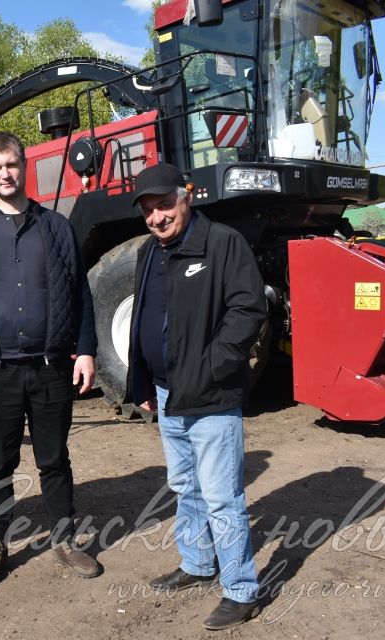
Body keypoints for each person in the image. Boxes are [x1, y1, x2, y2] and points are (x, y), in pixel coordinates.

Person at [0, 131, 100, 588]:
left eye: (11, 164)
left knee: (54, 459)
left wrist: (87, 349)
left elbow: (81, 295)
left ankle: (64, 540)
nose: (5, 174)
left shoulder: (56, 227)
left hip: (50, 368)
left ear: (24, 167)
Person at [125, 163, 266, 630]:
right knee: (185, 486)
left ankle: (242, 589)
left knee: (222, 496)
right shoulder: (150, 251)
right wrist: (143, 382)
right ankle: (197, 562)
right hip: (167, 393)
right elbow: (146, 314)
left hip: (211, 396)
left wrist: (213, 367)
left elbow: (248, 309)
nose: (156, 217)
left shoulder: (222, 243)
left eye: (164, 205)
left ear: (187, 196)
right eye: (147, 210)